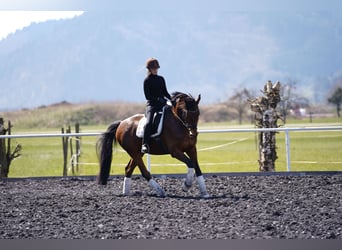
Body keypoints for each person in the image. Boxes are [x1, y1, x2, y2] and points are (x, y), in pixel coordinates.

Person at [141, 58, 172, 153]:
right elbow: (148, 96)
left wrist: (172, 100)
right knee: (149, 122)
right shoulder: (147, 80)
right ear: (149, 69)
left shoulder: (161, 79)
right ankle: (145, 144)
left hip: (163, 104)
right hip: (152, 105)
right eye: (153, 68)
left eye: (156, 68)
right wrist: (158, 99)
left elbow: (165, 92)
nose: (155, 70)